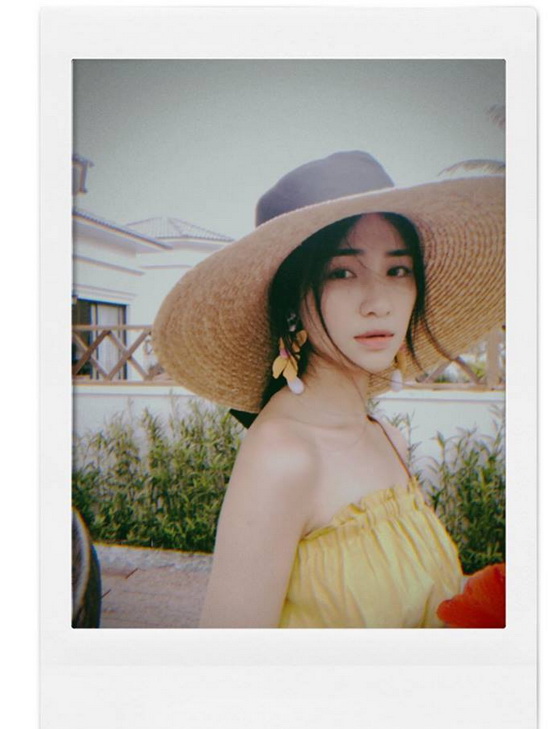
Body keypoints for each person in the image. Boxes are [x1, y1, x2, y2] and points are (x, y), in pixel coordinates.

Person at [152, 151, 505, 628]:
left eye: (398, 270)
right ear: (292, 299)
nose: (379, 302)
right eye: (342, 272)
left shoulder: (387, 437)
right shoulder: (283, 457)